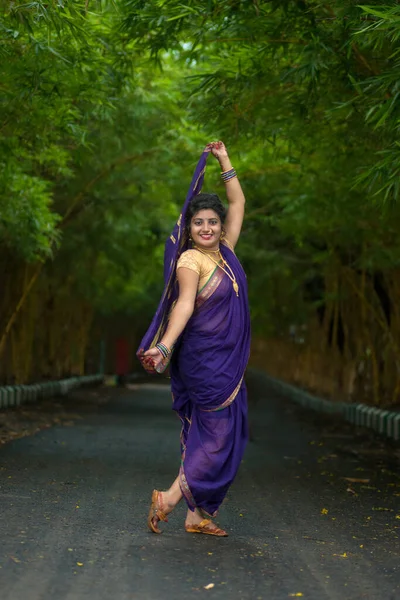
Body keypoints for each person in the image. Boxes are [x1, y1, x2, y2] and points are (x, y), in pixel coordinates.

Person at [138, 141, 250, 537]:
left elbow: (237, 204)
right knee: (217, 436)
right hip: (204, 362)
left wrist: (224, 160)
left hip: (227, 362)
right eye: (199, 222)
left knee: (225, 433)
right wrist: (165, 346)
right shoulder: (192, 260)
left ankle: (195, 514)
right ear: (189, 227)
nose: (206, 228)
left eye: (212, 222)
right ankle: (168, 499)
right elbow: (183, 306)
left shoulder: (226, 253)